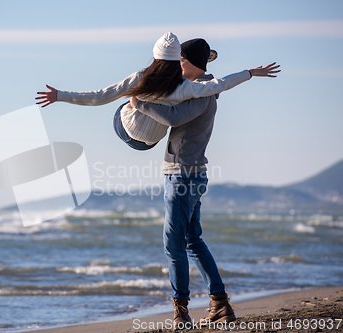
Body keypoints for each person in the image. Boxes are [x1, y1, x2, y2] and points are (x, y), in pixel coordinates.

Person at [129, 39, 280, 326]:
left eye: (179, 62)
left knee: (174, 245)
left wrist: (141, 103)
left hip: (183, 177)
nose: (175, 67)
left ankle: (181, 311)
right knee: (192, 241)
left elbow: (173, 116)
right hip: (192, 175)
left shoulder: (201, 96)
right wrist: (248, 72)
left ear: (188, 62)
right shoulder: (203, 89)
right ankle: (220, 303)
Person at [36, 32, 279, 151]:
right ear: (178, 60)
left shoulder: (139, 78)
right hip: (150, 142)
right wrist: (249, 73)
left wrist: (60, 95)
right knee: (154, 108)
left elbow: (99, 96)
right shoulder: (184, 88)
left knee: (122, 104)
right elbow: (219, 85)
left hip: (127, 132)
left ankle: (131, 108)